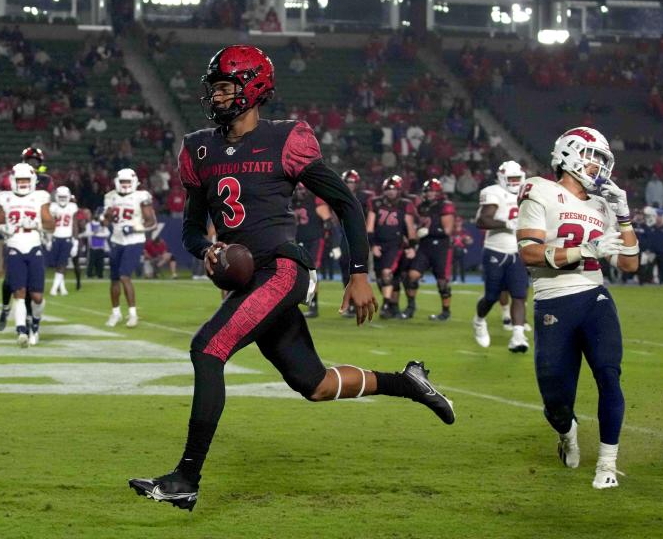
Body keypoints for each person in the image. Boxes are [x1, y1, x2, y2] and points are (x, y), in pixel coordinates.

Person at [129, 45, 455, 510]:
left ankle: (186, 478)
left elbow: (345, 202)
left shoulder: (286, 138)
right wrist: (209, 249)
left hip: (281, 269)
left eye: (226, 87)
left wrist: (358, 274)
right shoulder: (199, 147)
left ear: (254, 88)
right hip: (247, 279)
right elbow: (190, 229)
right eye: (214, 88)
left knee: (207, 349)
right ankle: (409, 382)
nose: (217, 97)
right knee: (314, 384)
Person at [516, 127, 639, 489]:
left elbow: (630, 264)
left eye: (602, 160)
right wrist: (586, 250)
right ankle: (567, 430)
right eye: (593, 157)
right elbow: (529, 252)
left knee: (608, 374)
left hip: (594, 296)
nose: (598, 167)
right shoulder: (539, 189)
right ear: (569, 154)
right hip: (553, 300)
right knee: (556, 399)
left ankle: (607, 464)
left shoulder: (602, 205)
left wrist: (625, 215)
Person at [0, 163, 54, 347]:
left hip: (34, 245)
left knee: (37, 297)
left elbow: (51, 225)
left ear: (33, 180)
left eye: (26, 179)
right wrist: (3, 227)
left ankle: (35, 323)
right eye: (20, 180)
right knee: (19, 292)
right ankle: (21, 330)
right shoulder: (5, 197)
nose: (23, 183)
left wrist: (37, 225)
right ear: (13, 181)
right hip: (14, 245)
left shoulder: (40, 197)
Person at [472, 161, 531, 352]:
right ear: (502, 178)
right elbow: (482, 220)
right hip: (496, 250)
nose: (514, 183)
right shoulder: (494, 192)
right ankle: (479, 320)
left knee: (519, 295)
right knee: (491, 296)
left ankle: (518, 336)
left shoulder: (529, 191)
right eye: (511, 179)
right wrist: (506, 223)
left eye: (517, 179)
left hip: (519, 251)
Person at [104, 168, 157, 328]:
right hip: (116, 240)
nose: (125, 184)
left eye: (128, 181)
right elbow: (105, 221)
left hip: (134, 240)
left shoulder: (141, 196)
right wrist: (107, 216)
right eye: (123, 182)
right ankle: (116, 313)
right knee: (114, 279)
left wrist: (135, 228)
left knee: (124, 275)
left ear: (134, 182)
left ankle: (133, 314)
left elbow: (151, 222)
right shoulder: (110, 196)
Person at [365, 175, 418, 319]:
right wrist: (373, 245)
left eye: (394, 189)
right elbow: (369, 227)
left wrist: (412, 246)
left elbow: (410, 227)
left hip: (396, 244)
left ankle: (386, 305)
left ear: (399, 190)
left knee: (387, 273)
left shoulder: (405, 204)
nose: (391, 192)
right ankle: (394, 307)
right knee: (382, 279)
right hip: (379, 244)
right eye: (388, 189)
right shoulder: (375, 203)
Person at [405, 178, 454, 321]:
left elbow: (447, 230)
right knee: (412, 276)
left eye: (433, 191)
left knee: (442, 282)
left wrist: (429, 230)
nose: (430, 193)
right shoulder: (422, 206)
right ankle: (411, 307)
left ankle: (446, 312)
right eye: (428, 191)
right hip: (425, 246)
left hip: (441, 247)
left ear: (439, 192)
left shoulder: (446, 205)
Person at [336, 169, 373, 317]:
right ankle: (351, 302)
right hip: (344, 236)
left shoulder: (366, 198)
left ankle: (360, 302)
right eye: (347, 181)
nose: (349, 184)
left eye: (352, 182)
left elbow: (371, 216)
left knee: (359, 271)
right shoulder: (337, 195)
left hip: (360, 237)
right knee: (345, 269)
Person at [293, 184, 332, 317]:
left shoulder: (315, 199)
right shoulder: (292, 201)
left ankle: (313, 304)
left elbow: (328, 221)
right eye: (297, 189)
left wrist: (330, 241)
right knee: (299, 273)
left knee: (312, 271)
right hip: (298, 241)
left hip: (315, 240)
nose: (300, 191)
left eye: (302, 189)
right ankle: (304, 301)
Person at [48, 186, 81, 296]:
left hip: (67, 237)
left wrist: (75, 242)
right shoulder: (52, 207)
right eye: (60, 197)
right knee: (57, 264)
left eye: (64, 197)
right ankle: (62, 288)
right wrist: (48, 238)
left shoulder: (72, 207)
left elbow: (75, 225)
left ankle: (54, 288)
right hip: (55, 237)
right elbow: (50, 224)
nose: (62, 199)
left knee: (62, 264)